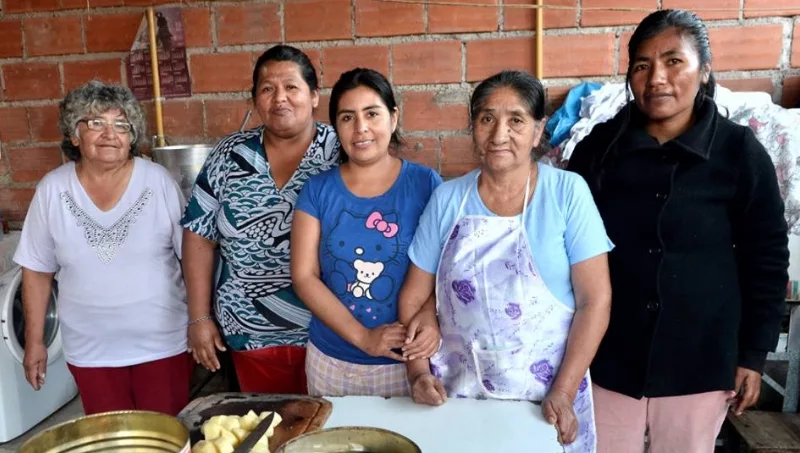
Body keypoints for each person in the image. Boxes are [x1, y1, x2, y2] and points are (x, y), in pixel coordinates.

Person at [566, 10, 790, 453]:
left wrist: (752, 354)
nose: (657, 79)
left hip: (700, 360)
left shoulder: (738, 152)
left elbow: (766, 257)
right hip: (608, 357)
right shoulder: (598, 150)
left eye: (674, 61)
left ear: (704, 70)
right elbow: (566, 248)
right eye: (642, 65)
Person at [400, 70, 613, 451]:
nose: (499, 134)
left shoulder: (567, 193)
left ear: (538, 130)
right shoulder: (448, 199)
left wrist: (563, 391)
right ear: (473, 128)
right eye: (487, 119)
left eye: (516, 120)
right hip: (458, 394)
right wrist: (417, 374)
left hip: (547, 398)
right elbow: (414, 297)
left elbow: (594, 301)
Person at [15, 80, 189, 416]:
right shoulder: (53, 190)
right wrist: (35, 342)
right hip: (91, 350)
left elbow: (191, 257)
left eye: (122, 125)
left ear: (132, 137)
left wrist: (200, 321)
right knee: (109, 438)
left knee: (167, 435)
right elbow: (36, 270)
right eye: (96, 122)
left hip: (162, 344)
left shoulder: (158, 182)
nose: (110, 134)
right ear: (74, 135)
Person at [181, 45, 340, 394]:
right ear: (255, 100)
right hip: (247, 331)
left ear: (314, 96)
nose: (280, 98)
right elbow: (198, 235)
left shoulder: (340, 151)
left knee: (328, 423)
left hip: (330, 332)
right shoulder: (229, 155)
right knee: (264, 421)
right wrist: (199, 317)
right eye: (267, 89)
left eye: (291, 87)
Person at [291, 68, 443, 397]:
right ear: (336, 127)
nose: (360, 128)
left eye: (372, 114)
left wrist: (430, 316)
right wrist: (364, 338)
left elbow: (444, 269)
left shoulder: (426, 184)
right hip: (331, 362)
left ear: (393, 117)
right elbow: (304, 276)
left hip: (406, 363)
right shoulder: (317, 190)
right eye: (347, 117)